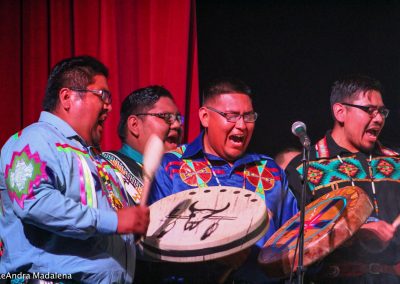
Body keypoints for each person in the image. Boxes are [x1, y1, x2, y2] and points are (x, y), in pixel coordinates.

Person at [0, 56, 150, 283]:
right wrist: (115, 222)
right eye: (103, 95)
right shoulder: (35, 139)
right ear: (67, 97)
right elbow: (35, 203)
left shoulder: (94, 157)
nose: (109, 105)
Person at [148, 78, 298, 283]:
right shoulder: (172, 167)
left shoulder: (269, 170)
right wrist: (215, 256)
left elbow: (294, 236)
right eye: (231, 116)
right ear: (204, 116)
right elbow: (153, 244)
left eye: (248, 116)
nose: (241, 125)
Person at [286, 74, 400, 283]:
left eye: (382, 112)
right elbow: (294, 242)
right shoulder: (306, 166)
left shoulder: (396, 163)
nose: (378, 118)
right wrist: (352, 232)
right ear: (340, 111)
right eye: (369, 110)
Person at [102, 85, 182, 205]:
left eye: (178, 118)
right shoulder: (105, 169)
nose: (176, 125)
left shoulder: (181, 171)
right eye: (166, 117)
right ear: (135, 125)